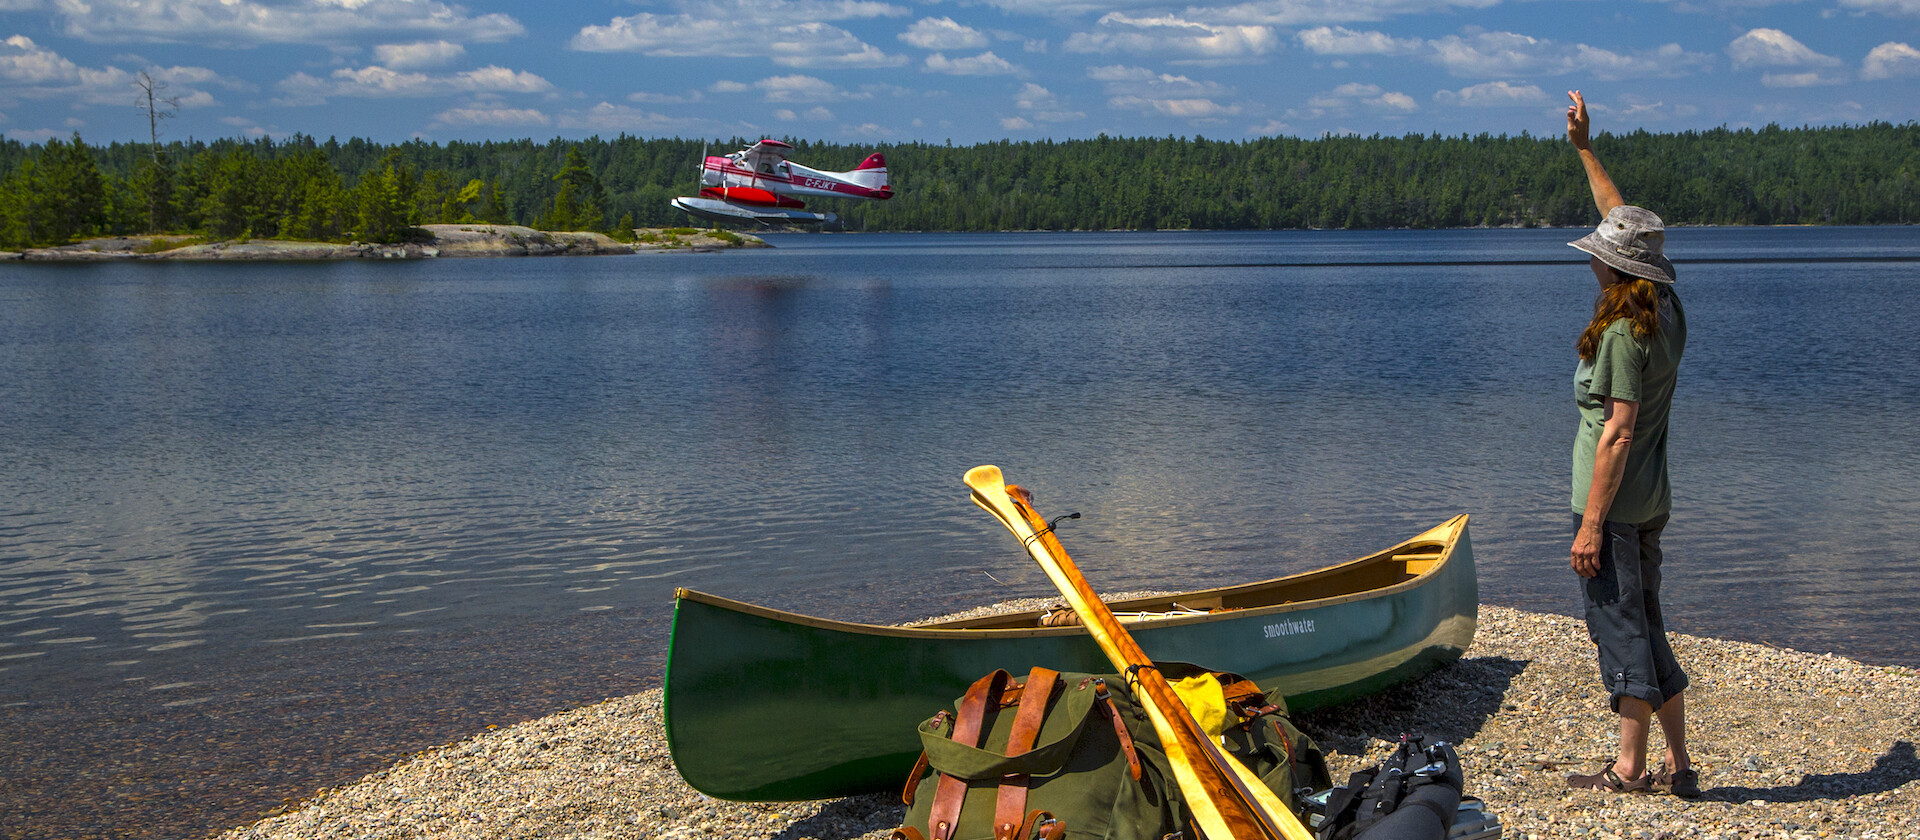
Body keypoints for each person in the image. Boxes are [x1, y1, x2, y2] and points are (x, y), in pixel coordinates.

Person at [1560, 90, 1699, 799]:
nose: (1594, 258)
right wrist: (1586, 147)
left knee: (1620, 631)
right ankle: (1679, 765)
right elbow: (1627, 222)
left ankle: (1629, 768)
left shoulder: (1620, 334)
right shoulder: (1666, 310)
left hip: (1614, 509)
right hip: (1651, 503)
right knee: (1647, 621)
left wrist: (1588, 525)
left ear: (1615, 271)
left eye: (1601, 254)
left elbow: (1614, 432)